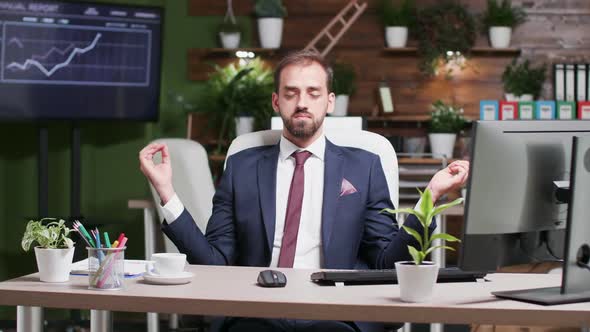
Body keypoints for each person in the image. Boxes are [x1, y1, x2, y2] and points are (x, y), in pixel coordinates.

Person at [139, 50, 469, 332]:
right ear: (276, 101)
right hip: (256, 312)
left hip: (337, 316)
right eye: (291, 92)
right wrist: (167, 192)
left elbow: (386, 261)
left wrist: (431, 198)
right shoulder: (242, 166)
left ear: (329, 102)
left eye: (313, 93)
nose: (301, 103)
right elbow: (214, 263)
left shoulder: (364, 166)